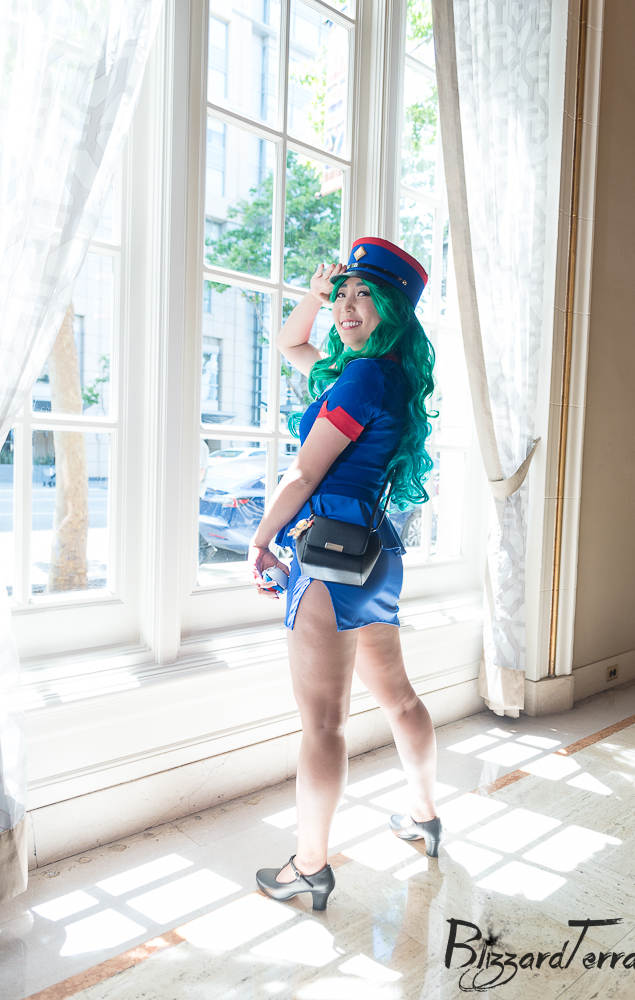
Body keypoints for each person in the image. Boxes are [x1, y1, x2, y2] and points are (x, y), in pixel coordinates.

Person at [248, 237, 442, 911]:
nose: (348, 306)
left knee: (325, 724)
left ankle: (309, 866)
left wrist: (262, 540)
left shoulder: (359, 380)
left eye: (367, 295)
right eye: (344, 294)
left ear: (393, 309)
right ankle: (424, 817)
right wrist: (315, 293)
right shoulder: (378, 375)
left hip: (330, 556)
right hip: (373, 552)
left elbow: (305, 472)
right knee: (399, 700)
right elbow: (289, 343)